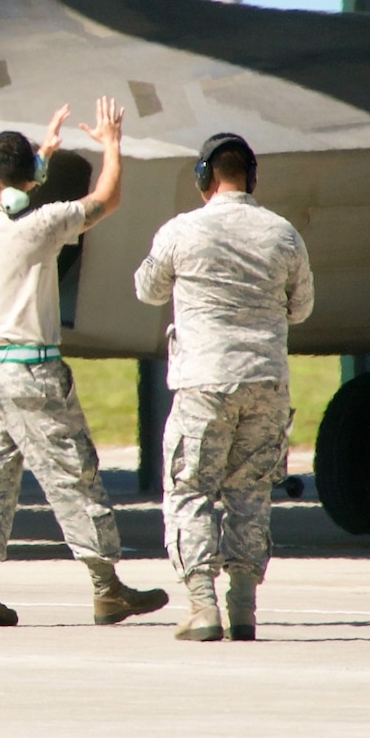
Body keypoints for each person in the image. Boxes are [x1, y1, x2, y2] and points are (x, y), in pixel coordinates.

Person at [0, 97, 170, 629]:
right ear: (30, 177)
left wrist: (41, 158)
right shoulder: (43, 226)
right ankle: (107, 588)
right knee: (75, 478)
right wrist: (112, 146)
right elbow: (107, 197)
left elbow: (8, 197)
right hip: (34, 373)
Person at [134, 132, 314, 642]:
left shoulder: (182, 230)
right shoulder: (283, 234)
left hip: (204, 382)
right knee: (251, 493)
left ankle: (201, 605)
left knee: (191, 488)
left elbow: (147, 290)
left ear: (204, 178)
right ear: (251, 178)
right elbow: (301, 307)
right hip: (265, 379)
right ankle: (243, 608)